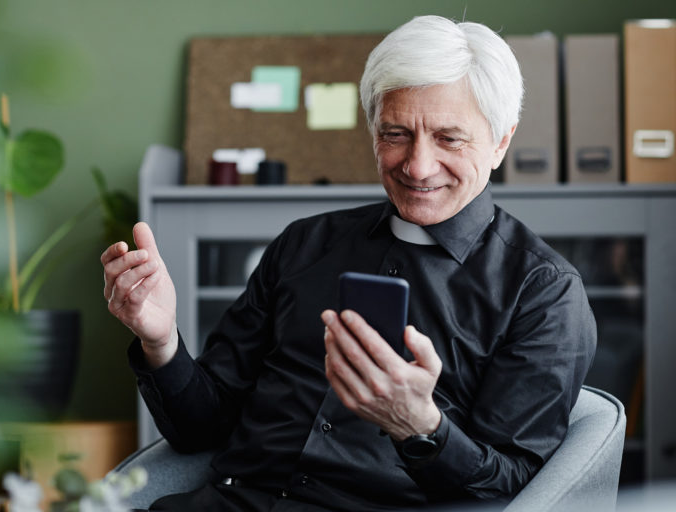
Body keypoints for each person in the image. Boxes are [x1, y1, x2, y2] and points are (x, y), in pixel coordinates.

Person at [101, 15, 596, 512]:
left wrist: (421, 428)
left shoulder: (542, 292)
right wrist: (160, 340)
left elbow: (509, 488)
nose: (418, 166)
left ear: (501, 142)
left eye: (449, 139)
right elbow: (201, 429)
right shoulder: (305, 244)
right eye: (396, 133)